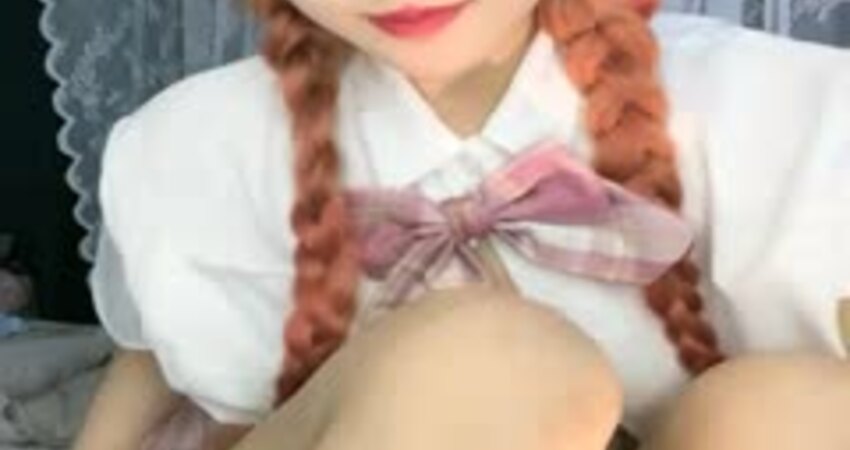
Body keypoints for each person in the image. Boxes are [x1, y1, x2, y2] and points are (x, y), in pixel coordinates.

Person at [73, 0, 850, 448]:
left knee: (785, 414)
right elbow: (148, 356)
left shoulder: (776, 109)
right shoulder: (196, 144)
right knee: (488, 359)